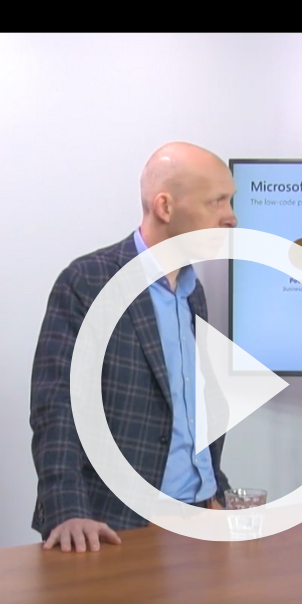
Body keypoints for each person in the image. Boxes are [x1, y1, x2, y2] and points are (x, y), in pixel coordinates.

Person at [29, 142, 237, 552]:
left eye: (230, 201)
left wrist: (217, 489)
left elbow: (188, 411)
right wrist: (68, 511)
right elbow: (57, 408)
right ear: (165, 206)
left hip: (199, 520)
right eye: (216, 201)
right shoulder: (89, 282)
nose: (231, 216)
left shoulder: (193, 292)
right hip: (117, 527)